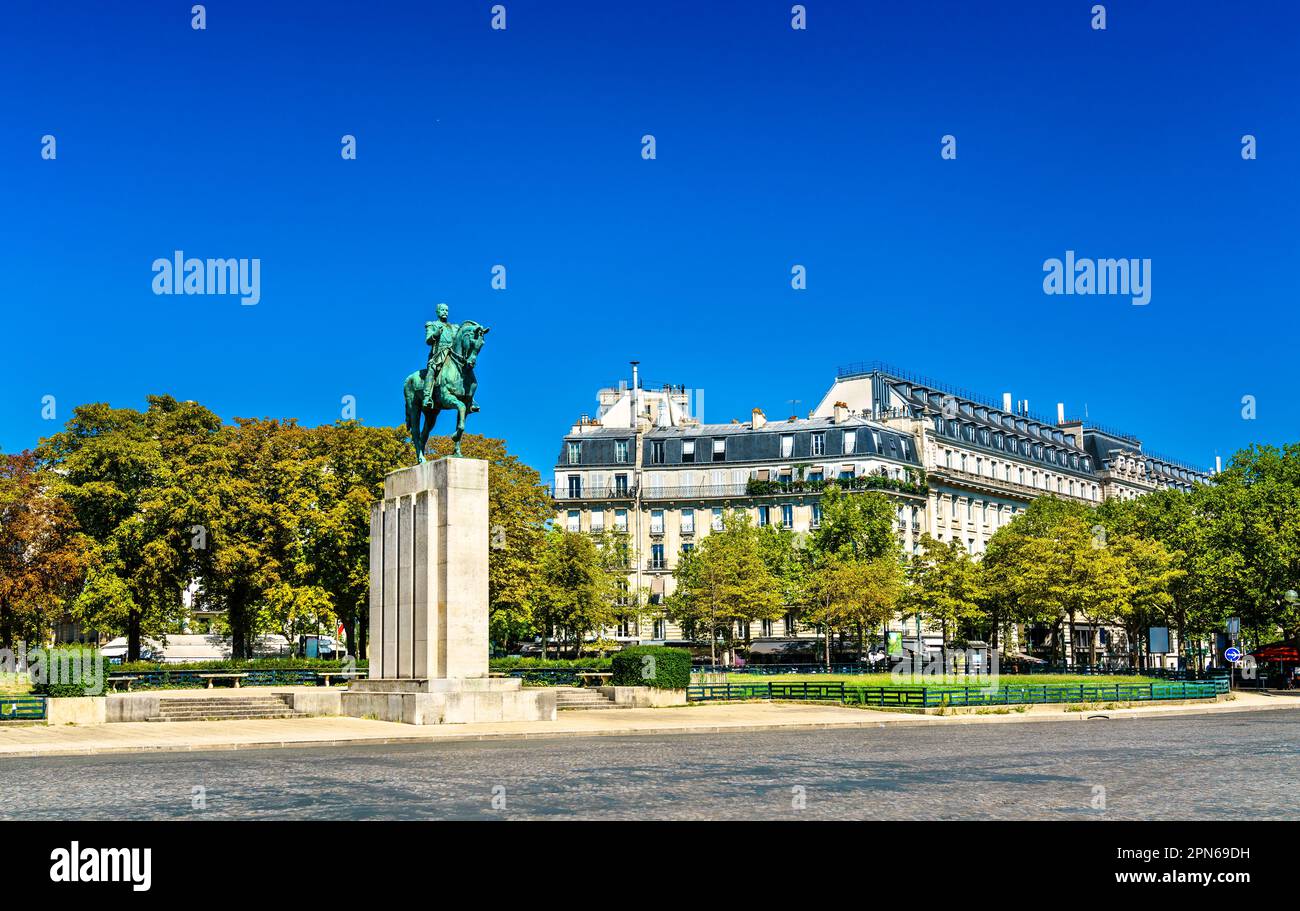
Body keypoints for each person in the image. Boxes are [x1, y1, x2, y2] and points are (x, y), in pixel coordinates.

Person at [422, 303, 458, 409]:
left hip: (452, 354)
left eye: (447, 310)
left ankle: (470, 398)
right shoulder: (432, 324)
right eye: (442, 310)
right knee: (432, 369)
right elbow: (428, 340)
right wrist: (435, 334)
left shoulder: (454, 327)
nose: (445, 312)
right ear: (437, 312)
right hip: (438, 354)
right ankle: (427, 397)